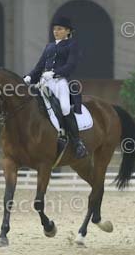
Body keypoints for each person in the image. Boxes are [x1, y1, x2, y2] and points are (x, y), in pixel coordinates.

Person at [23, 16, 88, 159]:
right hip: (44, 83)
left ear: (68, 31)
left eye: (59, 29)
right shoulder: (49, 46)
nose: (56, 32)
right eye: (54, 29)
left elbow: (70, 66)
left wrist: (54, 73)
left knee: (64, 108)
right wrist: (29, 77)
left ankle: (77, 143)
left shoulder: (72, 45)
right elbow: (39, 67)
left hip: (60, 82)